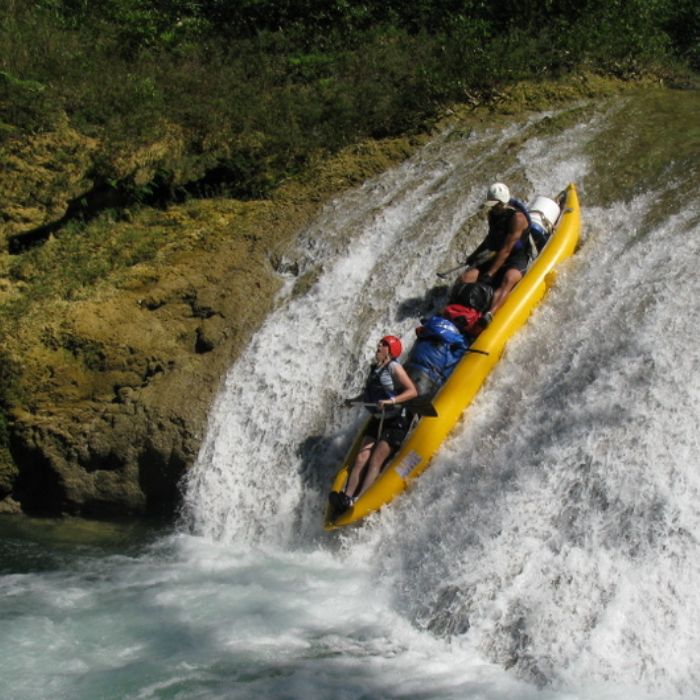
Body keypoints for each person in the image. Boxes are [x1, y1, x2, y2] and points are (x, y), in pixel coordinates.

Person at [329, 335, 417, 515]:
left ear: (390, 351)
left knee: (376, 458)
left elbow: (412, 392)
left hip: (395, 420)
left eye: (384, 344)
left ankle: (359, 499)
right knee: (361, 458)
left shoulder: (394, 367)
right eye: (380, 343)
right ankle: (346, 496)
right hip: (378, 419)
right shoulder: (375, 369)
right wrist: (352, 401)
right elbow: (368, 395)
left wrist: (392, 400)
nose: (379, 345)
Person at [452, 182, 532, 324]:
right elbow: (490, 239)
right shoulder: (493, 215)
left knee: (508, 279)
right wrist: (475, 255)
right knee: (465, 277)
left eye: (496, 204)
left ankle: (489, 314)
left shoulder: (517, 219)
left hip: (517, 257)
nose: (493, 207)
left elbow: (506, 249)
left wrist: (490, 274)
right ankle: (449, 311)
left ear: (503, 202)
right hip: (498, 255)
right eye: (492, 204)